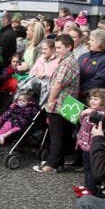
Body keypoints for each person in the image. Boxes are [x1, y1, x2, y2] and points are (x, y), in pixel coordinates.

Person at [33, 34, 79, 173]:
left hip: (62, 103)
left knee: (57, 135)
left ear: (69, 47)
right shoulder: (66, 60)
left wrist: (50, 101)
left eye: (59, 47)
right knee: (63, 134)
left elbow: (58, 85)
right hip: (68, 102)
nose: (56, 50)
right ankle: (57, 162)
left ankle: (52, 165)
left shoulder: (68, 62)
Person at [75, 88, 105, 194]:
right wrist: (83, 114)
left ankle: (91, 189)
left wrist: (88, 114)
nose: (92, 101)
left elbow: (91, 125)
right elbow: (82, 122)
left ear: (104, 101)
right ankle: (87, 185)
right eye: (91, 98)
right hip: (85, 144)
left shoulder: (103, 114)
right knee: (86, 167)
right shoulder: (91, 111)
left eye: (96, 99)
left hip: (93, 146)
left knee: (91, 169)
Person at [78, 29, 105, 94]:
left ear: (100, 43)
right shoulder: (84, 55)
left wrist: (81, 90)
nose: (89, 42)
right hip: (74, 94)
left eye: (92, 40)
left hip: (92, 97)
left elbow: (101, 79)